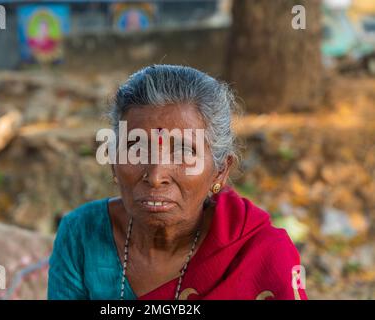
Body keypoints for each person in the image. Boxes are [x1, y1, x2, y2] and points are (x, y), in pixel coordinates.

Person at [48, 65, 307, 300]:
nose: (156, 175)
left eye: (184, 151)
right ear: (114, 162)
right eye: (137, 149)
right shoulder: (82, 234)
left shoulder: (262, 254)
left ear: (220, 171)